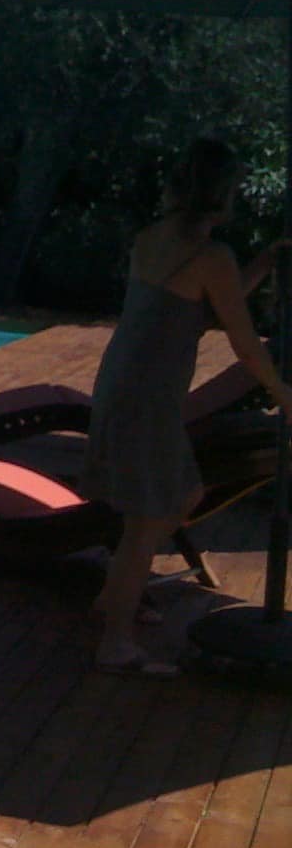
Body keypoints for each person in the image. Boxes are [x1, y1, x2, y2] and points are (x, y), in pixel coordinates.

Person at [83, 137, 292, 676]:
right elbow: (244, 344)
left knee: (184, 495)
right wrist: (285, 396)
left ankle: (114, 599)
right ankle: (115, 643)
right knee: (145, 525)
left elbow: (199, 310)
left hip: (121, 385)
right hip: (147, 398)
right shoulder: (213, 256)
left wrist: (265, 264)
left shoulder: (152, 239)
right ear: (222, 197)